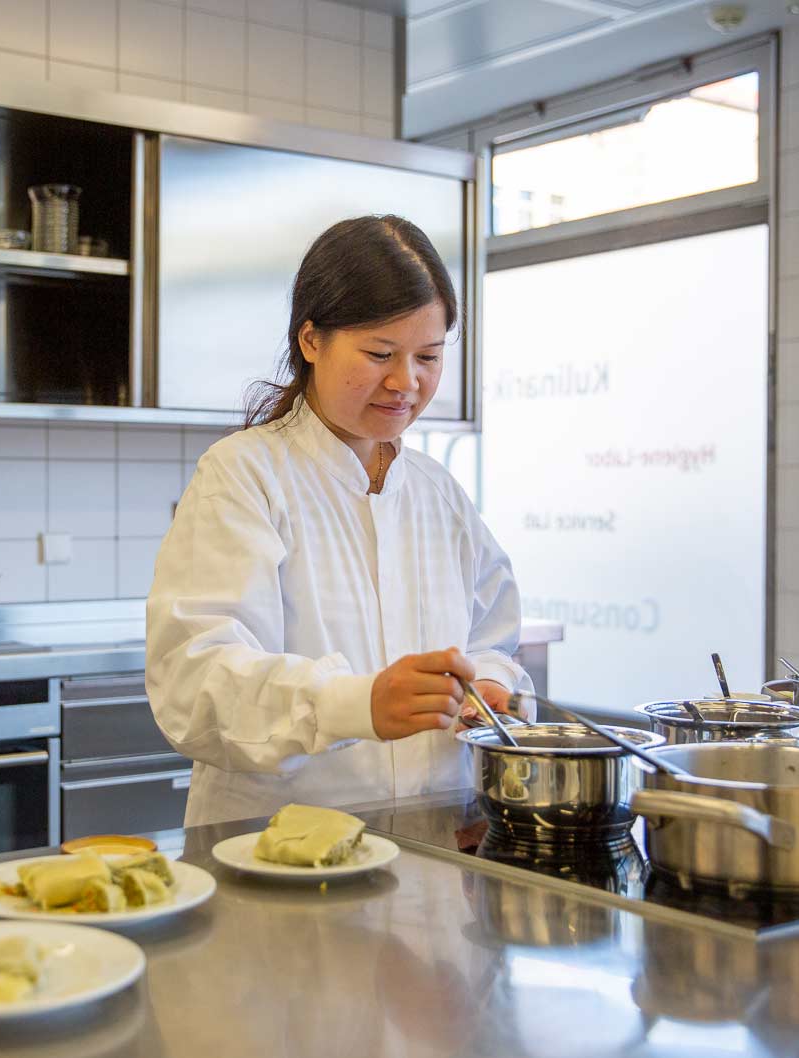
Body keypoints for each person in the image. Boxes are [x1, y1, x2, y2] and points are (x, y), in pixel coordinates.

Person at [146, 215, 530, 827]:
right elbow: (195, 682)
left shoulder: (437, 493)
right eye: (380, 354)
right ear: (311, 341)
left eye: (428, 357)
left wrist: (489, 688)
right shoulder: (245, 475)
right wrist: (357, 704)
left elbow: (493, 637)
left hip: (435, 850)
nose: (406, 382)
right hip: (276, 860)